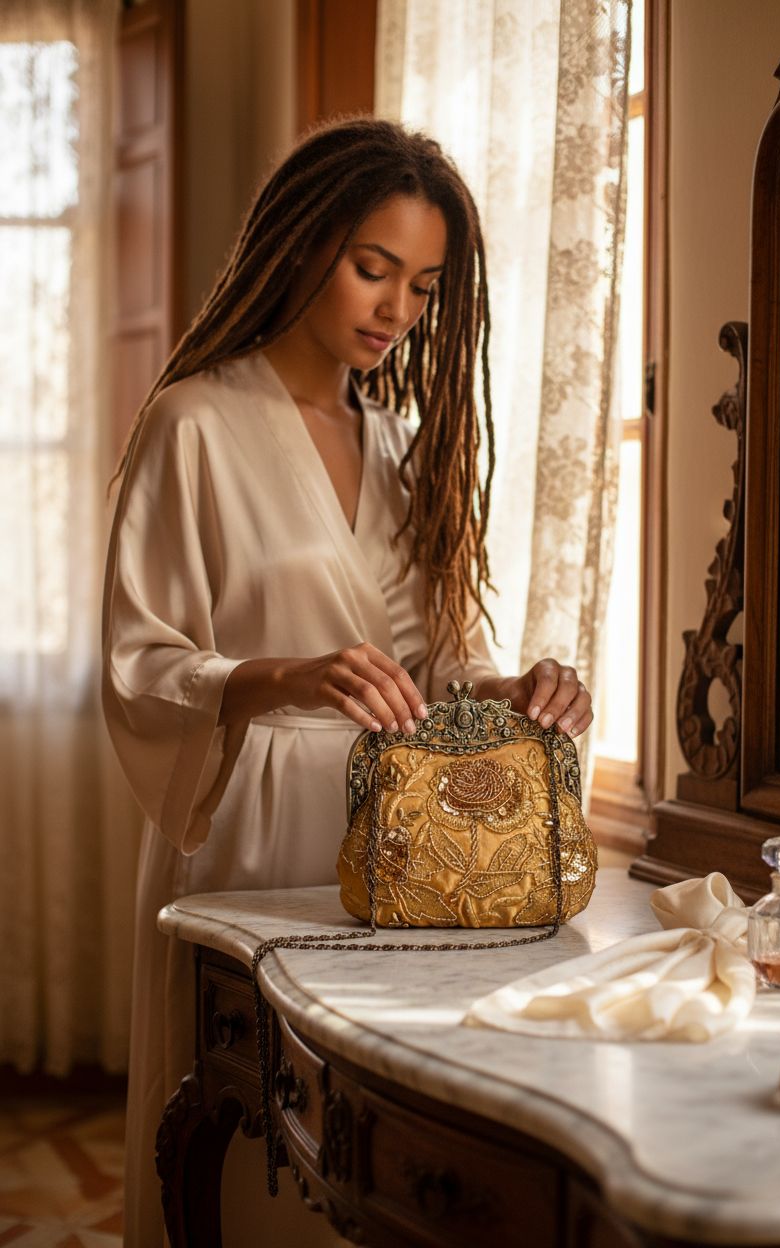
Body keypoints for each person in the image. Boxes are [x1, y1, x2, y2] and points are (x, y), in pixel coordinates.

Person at [102, 116, 593, 1247]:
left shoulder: (401, 445)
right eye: (374, 268)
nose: (397, 309)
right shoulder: (194, 423)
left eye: (423, 287)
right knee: (244, 1162)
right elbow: (140, 662)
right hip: (253, 825)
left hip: (400, 847)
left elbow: (438, 662)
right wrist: (286, 674)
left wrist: (513, 688)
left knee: (355, 1156)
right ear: (303, 244)